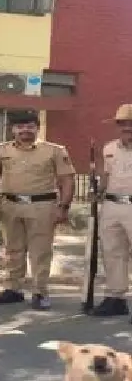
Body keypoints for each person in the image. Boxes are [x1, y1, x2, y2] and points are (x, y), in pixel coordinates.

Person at [0, 110, 75, 311]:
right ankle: (13, 289)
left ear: (37, 128)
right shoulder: (1, 151)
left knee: (40, 251)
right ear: (12, 130)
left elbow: (66, 180)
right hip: (10, 205)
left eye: (30, 127)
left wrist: (64, 207)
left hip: (42, 205)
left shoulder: (54, 151)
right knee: (12, 250)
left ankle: (40, 291)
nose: (25, 131)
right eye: (20, 127)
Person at [92, 104, 132, 317]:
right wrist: (97, 191)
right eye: (123, 124)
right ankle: (116, 298)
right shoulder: (109, 148)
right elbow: (105, 176)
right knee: (113, 252)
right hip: (112, 205)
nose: (127, 127)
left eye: (131, 123)